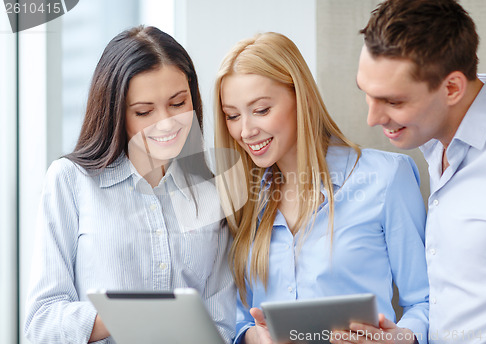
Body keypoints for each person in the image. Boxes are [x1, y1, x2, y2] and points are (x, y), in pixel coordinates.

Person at [214, 32, 429, 344]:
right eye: (232, 116)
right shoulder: (242, 198)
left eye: (261, 110)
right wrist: (252, 337)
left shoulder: (385, 178)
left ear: (300, 98)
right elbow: (233, 316)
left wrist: (401, 338)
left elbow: (426, 301)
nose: (245, 131)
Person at [24, 26, 235, 344]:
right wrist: (129, 314)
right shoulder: (70, 182)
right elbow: (41, 324)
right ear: (116, 113)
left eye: (178, 104)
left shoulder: (211, 194)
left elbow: (222, 325)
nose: (166, 123)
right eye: (144, 111)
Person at [357, 0, 486, 343]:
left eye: (393, 101)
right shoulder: (433, 142)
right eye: (366, 94)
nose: (372, 118)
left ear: (452, 88)